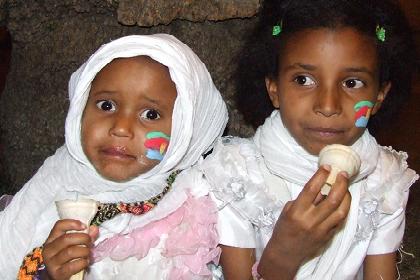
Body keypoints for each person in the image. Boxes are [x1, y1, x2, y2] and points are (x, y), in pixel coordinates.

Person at [197, 0, 419, 279]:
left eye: (352, 83)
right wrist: (284, 253)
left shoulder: (385, 179)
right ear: (274, 89)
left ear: (379, 97)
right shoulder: (237, 175)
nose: (328, 105)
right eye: (303, 80)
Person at [0, 34, 228, 279]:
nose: (121, 127)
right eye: (106, 105)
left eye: (150, 114)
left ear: (186, 129)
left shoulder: (195, 214)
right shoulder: (52, 182)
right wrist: (45, 271)